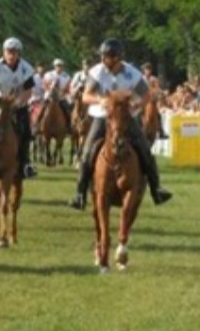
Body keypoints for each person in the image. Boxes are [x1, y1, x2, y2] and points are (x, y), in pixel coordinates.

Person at [68, 38, 173, 210]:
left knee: (145, 149)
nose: (103, 60)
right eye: (102, 56)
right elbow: (86, 96)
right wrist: (100, 100)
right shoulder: (97, 72)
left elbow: (147, 95)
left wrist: (137, 104)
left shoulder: (132, 74)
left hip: (126, 119)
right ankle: (80, 194)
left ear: (117, 57)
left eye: (107, 56)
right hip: (102, 117)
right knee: (87, 152)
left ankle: (157, 189)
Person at [0, 37, 37, 179]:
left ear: (19, 54)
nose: (11, 55)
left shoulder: (26, 69)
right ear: (4, 52)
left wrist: (18, 103)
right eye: (9, 52)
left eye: (15, 52)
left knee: (26, 132)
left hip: (17, 105)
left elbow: (28, 91)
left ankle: (25, 163)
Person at [43, 58, 72, 125]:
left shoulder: (67, 76)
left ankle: (69, 126)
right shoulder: (48, 74)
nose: (59, 67)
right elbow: (44, 85)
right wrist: (50, 88)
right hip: (49, 97)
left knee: (67, 111)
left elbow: (68, 88)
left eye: (61, 66)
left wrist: (63, 92)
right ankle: (37, 126)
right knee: (42, 109)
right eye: (57, 66)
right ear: (54, 66)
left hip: (60, 98)